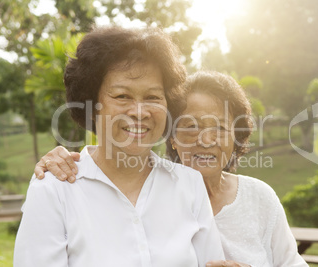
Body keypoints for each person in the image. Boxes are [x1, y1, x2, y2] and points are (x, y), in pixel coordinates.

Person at [35, 70, 308, 266]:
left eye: (221, 128)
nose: (206, 140)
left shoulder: (259, 197)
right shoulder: (145, 198)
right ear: (172, 137)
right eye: (191, 126)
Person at [14, 26, 225, 267]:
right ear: (92, 106)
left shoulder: (189, 184)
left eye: (153, 97)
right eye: (122, 96)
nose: (139, 112)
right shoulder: (55, 190)